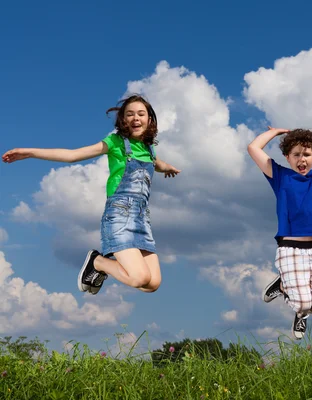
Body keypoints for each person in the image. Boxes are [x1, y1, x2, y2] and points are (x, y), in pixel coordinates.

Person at [2, 94, 181, 295]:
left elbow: (156, 163)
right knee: (139, 277)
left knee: (152, 283)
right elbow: (73, 155)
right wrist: (30, 152)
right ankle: (98, 262)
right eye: (130, 114)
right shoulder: (115, 142)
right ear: (123, 120)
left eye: (141, 114)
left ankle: (101, 265)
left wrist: (167, 168)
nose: (135, 118)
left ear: (149, 119)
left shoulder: (149, 149)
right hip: (119, 217)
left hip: (142, 221)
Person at [248, 116, 312, 339]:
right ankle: (285, 287)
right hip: (290, 247)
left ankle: (288, 290)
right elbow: (253, 147)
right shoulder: (280, 176)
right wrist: (274, 132)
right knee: (303, 303)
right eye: (296, 155)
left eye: (306, 154)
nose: (301, 159)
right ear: (287, 157)